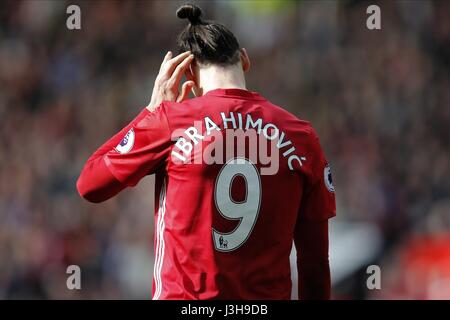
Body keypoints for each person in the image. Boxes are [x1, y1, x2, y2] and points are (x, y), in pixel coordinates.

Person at [77, 4, 336, 300]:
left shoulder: (170, 122)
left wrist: (150, 112)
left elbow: (90, 184)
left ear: (188, 72)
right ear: (245, 59)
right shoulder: (301, 137)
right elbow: (314, 263)